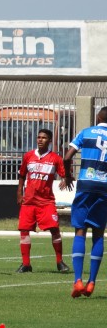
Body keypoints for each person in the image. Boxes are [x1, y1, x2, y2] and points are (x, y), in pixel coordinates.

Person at [63, 106, 107, 298]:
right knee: (98, 233)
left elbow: (67, 157)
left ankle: (78, 280)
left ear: (98, 116)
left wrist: (68, 175)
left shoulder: (86, 132)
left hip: (85, 184)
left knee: (80, 230)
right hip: (104, 187)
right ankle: (92, 283)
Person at [15, 128, 70, 273]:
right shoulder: (28, 156)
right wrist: (19, 193)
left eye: (44, 138)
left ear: (50, 140)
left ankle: (60, 262)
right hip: (29, 200)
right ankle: (26, 264)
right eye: (39, 137)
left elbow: (65, 173)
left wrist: (66, 178)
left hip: (46, 201)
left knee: (54, 229)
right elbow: (21, 175)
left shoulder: (55, 158)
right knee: (24, 230)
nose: (40, 140)